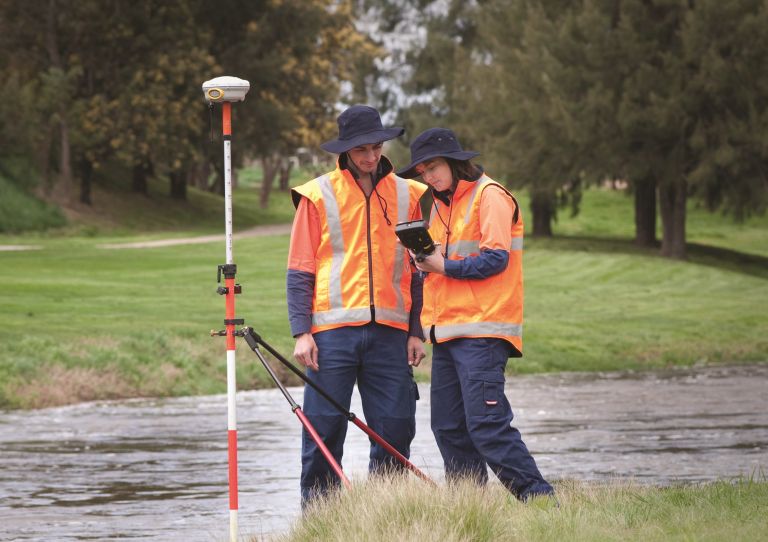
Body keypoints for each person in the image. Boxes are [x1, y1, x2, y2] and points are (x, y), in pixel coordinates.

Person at [396, 127, 554, 501]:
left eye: (433, 167)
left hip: (484, 332)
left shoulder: (491, 196)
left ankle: (543, 502)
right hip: (446, 333)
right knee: (448, 427)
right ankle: (472, 509)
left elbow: (495, 259)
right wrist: (425, 263)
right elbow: (439, 263)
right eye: (422, 171)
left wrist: (442, 266)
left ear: (454, 162)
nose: (428, 177)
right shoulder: (437, 206)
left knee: (487, 426)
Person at [287, 105, 428, 505]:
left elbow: (418, 270)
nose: (370, 157)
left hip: (392, 334)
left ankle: (383, 515)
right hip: (331, 336)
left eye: (376, 147)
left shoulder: (409, 194)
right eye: (362, 149)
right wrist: (302, 331)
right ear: (346, 150)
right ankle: (320, 520)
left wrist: (416, 330)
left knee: (396, 427)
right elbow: (300, 269)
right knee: (324, 429)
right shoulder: (317, 195)